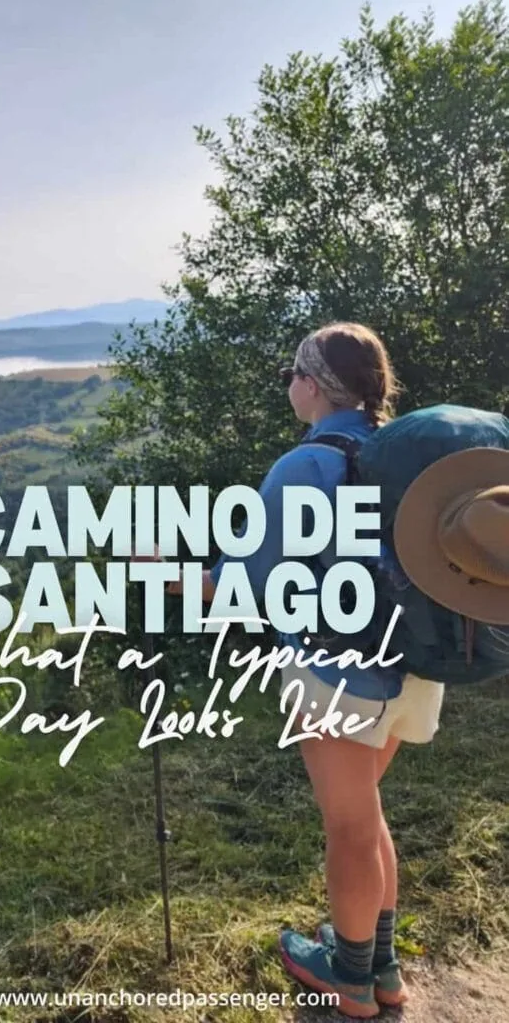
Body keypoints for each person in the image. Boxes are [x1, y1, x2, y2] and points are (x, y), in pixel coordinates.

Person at [158, 322, 439, 1017]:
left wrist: (161, 575)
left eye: (291, 373)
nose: (287, 385)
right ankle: (379, 968)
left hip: (340, 672)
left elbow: (237, 586)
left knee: (348, 826)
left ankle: (349, 981)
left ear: (311, 384)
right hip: (416, 664)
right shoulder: (402, 453)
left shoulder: (306, 463)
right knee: (366, 817)